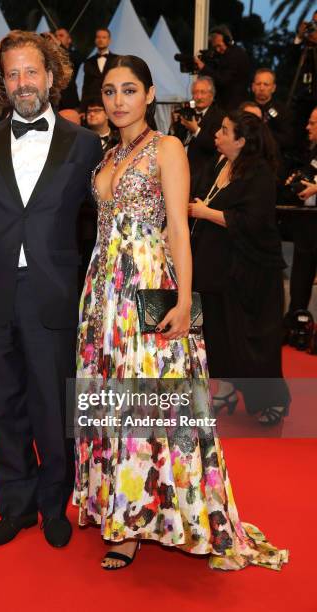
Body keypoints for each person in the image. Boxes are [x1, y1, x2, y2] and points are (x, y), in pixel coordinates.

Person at [74, 55, 288, 572]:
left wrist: (185, 300)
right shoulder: (106, 154)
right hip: (104, 293)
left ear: (150, 96)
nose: (118, 100)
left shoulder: (168, 148)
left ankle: (143, 521)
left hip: (153, 285)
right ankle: (116, 509)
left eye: (129, 89)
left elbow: (178, 230)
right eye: (109, 91)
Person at [0, 31, 102, 549]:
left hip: (54, 293)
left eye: (31, 72)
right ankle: (15, 506)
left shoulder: (85, 145)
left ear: (52, 76)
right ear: (1, 82)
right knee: (3, 405)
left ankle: (52, 503)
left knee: (52, 405)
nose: (22, 83)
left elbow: (106, 219)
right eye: (12, 74)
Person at [189, 111, 291, 425]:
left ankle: (271, 400)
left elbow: (252, 222)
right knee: (219, 336)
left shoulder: (259, 173)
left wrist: (205, 213)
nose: (216, 134)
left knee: (252, 341)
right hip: (216, 268)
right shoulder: (218, 163)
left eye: (224, 130)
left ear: (241, 141)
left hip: (252, 272)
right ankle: (228, 390)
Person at [285, 107, 317, 326]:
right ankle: (295, 321)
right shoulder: (311, 151)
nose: (308, 127)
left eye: (313, 123)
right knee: (300, 276)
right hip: (307, 220)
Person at [170, 76, 224, 197]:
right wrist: (174, 124)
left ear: (212, 95)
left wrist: (196, 130)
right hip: (179, 169)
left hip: (203, 175)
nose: (198, 97)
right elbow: (175, 140)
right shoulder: (188, 113)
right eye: (195, 93)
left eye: (202, 92)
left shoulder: (219, 116)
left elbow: (214, 145)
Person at [195, 27, 250, 112]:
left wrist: (203, 67)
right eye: (215, 47)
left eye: (219, 46)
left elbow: (223, 79)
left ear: (228, 41)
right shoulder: (230, 54)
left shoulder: (234, 55)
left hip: (232, 106)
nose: (217, 50)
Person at [81, 29, 117, 106]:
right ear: (95, 40)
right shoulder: (88, 62)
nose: (100, 40)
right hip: (93, 104)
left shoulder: (117, 60)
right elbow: (86, 87)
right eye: (98, 37)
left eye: (104, 37)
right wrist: (83, 108)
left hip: (113, 101)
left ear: (109, 40)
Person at [54, 28, 82, 110]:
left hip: (69, 98)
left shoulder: (74, 54)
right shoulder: (49, 55)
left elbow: (74, 60)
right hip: (53, 98)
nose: (57, 38)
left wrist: (59, 45)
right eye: (55, 36)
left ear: (69, 40)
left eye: (61, 35)